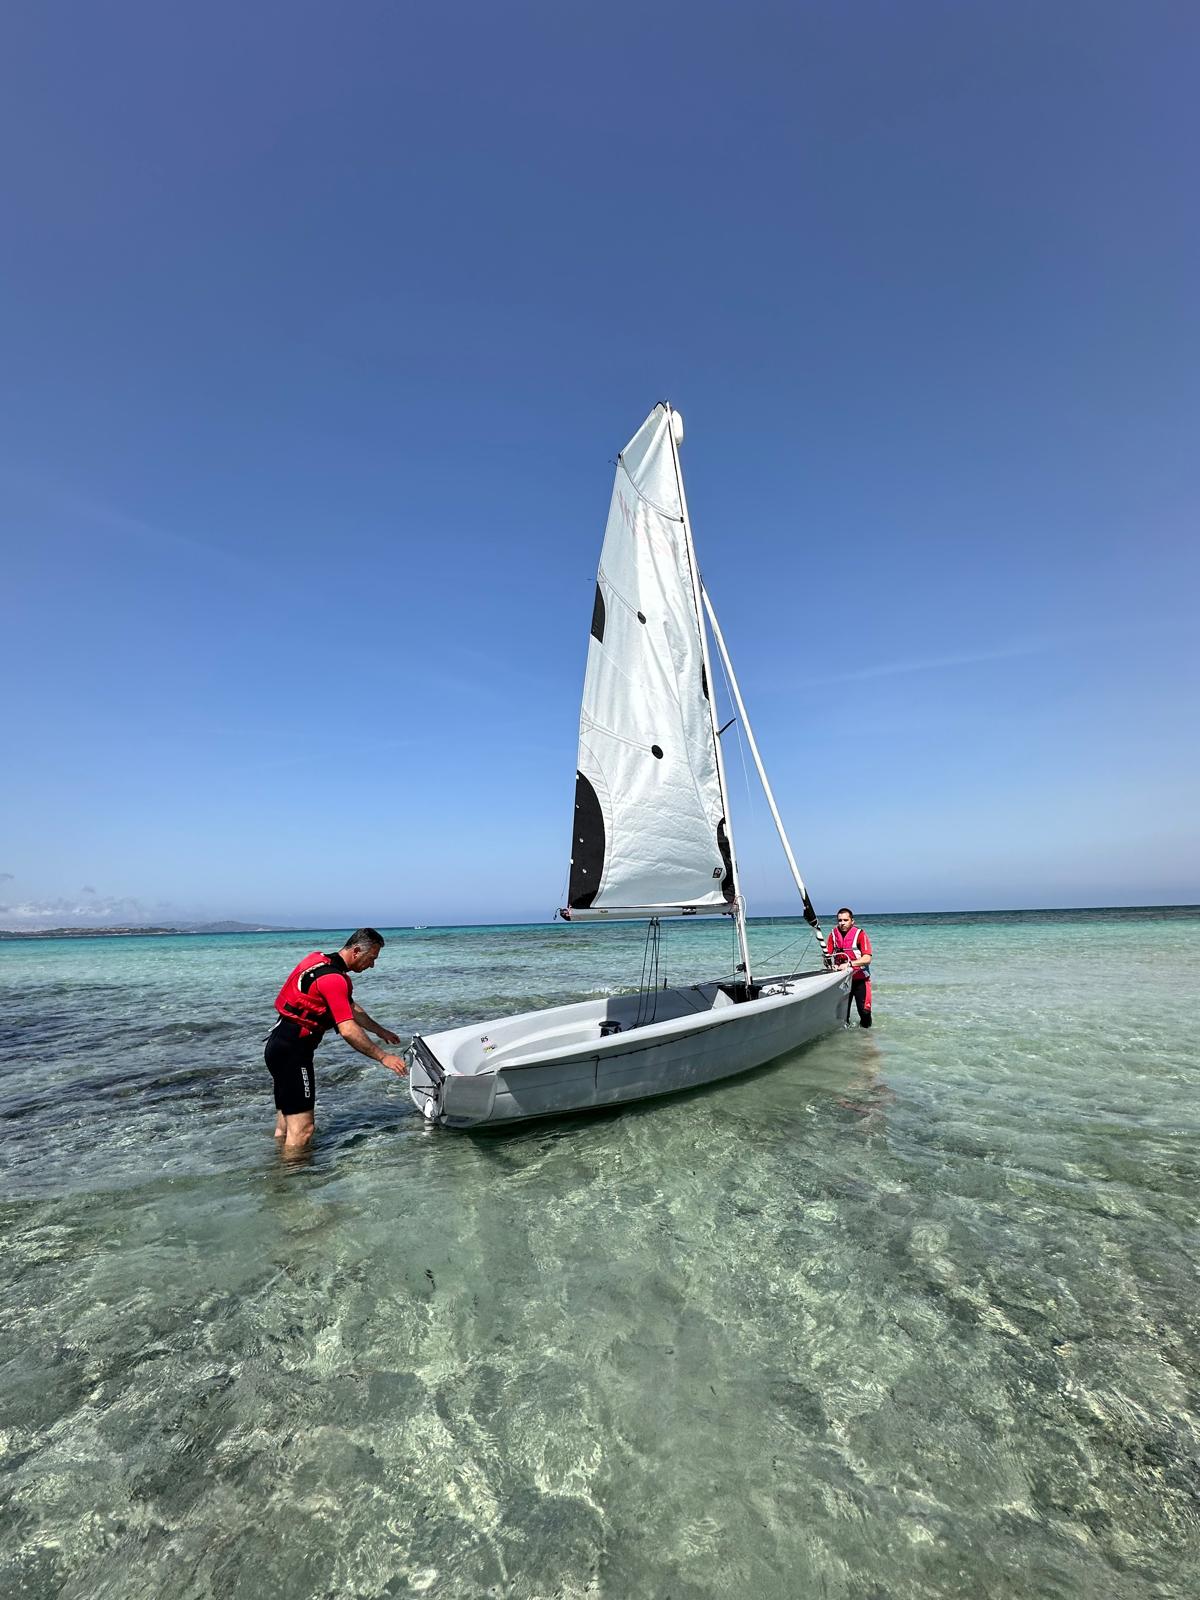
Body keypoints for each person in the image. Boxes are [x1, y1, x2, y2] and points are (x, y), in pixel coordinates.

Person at [265, 928, 407, 1150]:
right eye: (371, 958)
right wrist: (383, 1057)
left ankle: (280, 1165)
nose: (372, 965)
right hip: (294, 1054)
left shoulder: (318, 962)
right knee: (303, 1130)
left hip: (277, 1046)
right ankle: (293, 1172)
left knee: (285, 1126)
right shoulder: (334, 979)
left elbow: (348, 1007)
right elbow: (348, 1030)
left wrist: (379, 1030)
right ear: (356, 951)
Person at [827, 907, 873, 1027]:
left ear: (852, 921)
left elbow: (867, 959)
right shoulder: (833, 935)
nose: (842, 923)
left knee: (864, 1012)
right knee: (842, 1017)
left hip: (860, 980)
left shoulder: (860, 934)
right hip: (842, 981)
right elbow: (827, 957)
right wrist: (830, 965)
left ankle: (867, 1036)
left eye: (845, 920)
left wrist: (849, 964)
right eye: (840, 920)